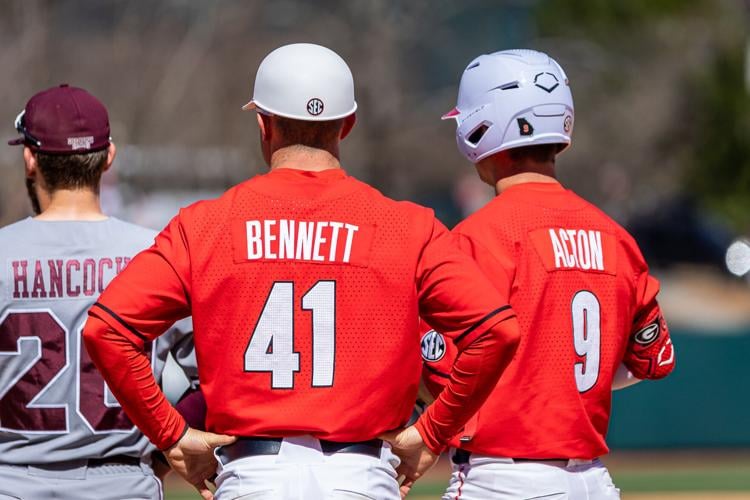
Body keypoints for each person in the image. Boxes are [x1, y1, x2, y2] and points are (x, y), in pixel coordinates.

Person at [82, 43, 521, 500]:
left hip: (252, 477)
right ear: (347, 125)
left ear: (263, 123)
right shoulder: (407, 226)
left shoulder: (205, 224)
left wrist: (172, 434)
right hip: (362, 476)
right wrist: (433, 431)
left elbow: (107, 330)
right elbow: (497, 332)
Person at [422, 49, 676, 499]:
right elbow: (651, 361)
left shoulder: (475, 238)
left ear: (482, 126)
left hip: (502, 478)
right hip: (592, 481)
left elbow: (439, 368)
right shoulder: (616, 237)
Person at [0, 84, 196, 500]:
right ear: (108, 157)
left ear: (30, 159)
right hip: (123, 480)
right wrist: (167, 448)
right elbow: (211, 377)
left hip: (12, 481)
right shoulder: (158, 252)